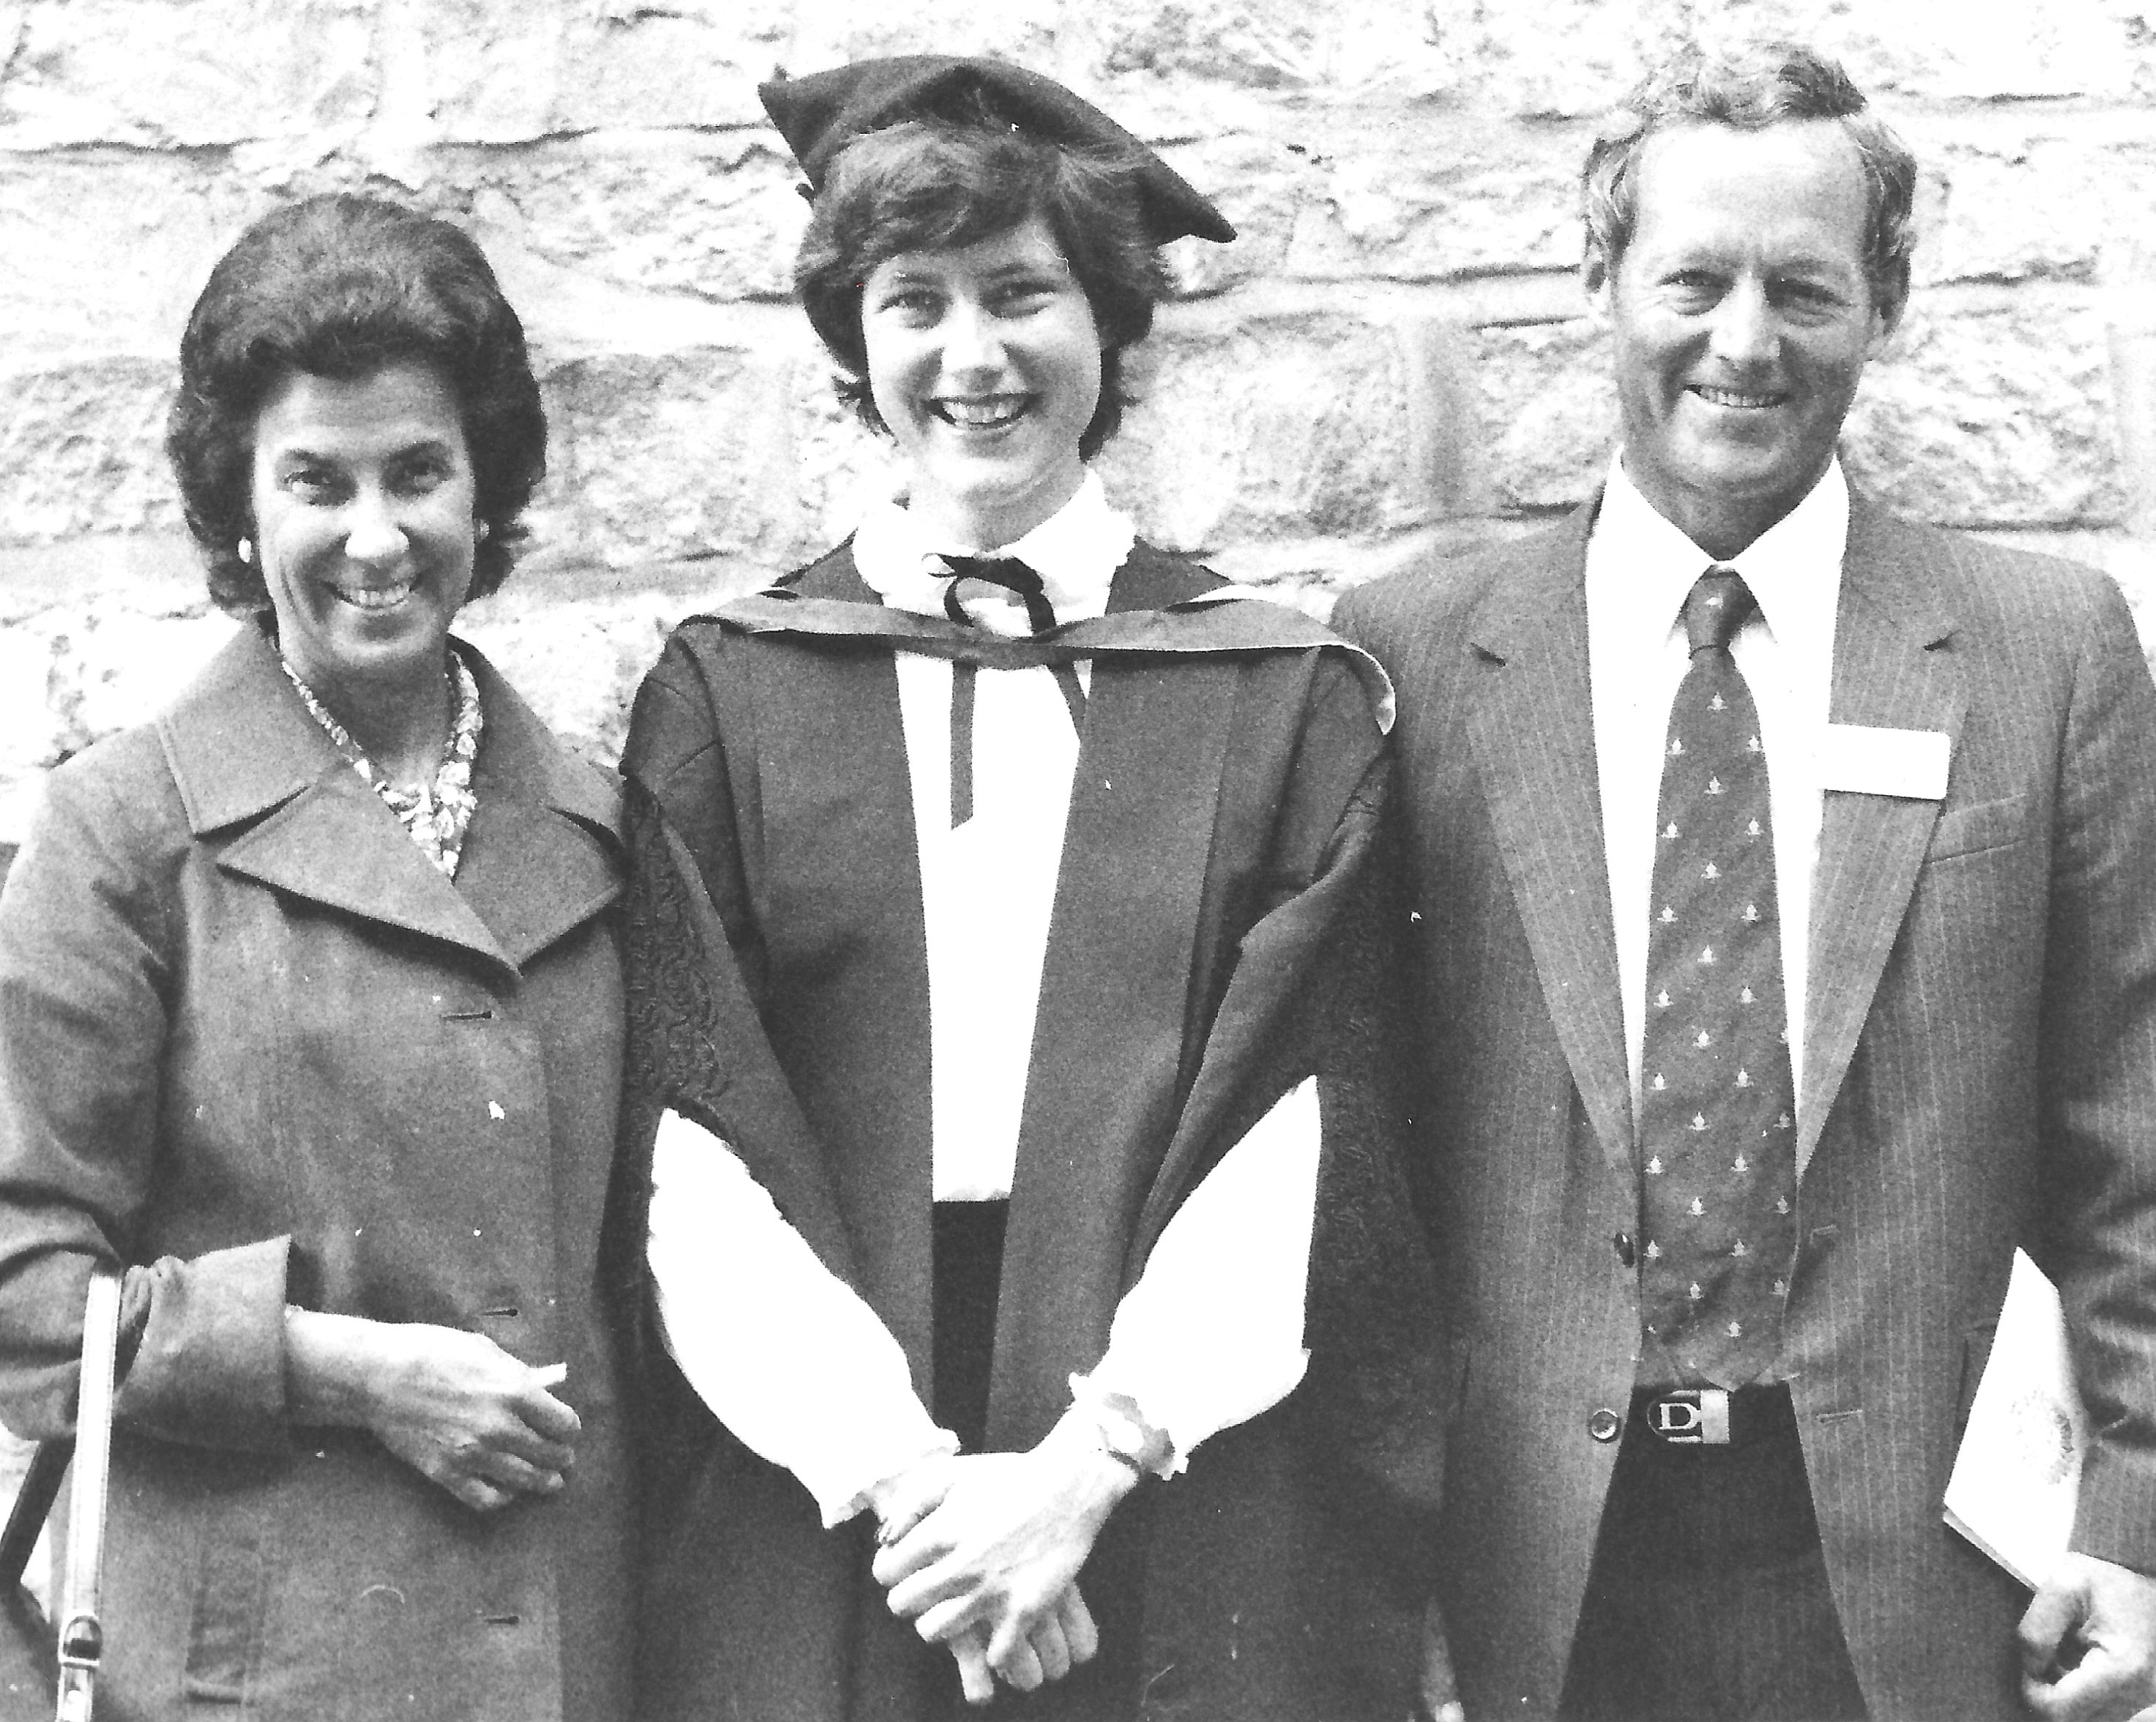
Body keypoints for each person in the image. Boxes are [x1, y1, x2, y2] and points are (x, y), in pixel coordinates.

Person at [615, 54, 1447, 1722]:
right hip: (834, 1482)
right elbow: (687, 1138)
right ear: (854, 342)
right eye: (914, 302)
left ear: (1108, 327)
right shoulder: (731, 688)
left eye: (1023, 295)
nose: (972, 356)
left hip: (1176, 1461)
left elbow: (1309, 1123)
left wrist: (1077, 1476)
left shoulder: (1276, 692)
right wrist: (919, 1496)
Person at [1335, 39, 2156, 1722]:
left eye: (1801, 287)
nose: (1741, 341)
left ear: (1889, 301)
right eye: (1690, 280)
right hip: (1527, 1576)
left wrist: (2135, 1526)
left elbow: (2129, 1136)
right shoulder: (1413, 653)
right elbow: (1357, 1174)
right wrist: (1362, 1573)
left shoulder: (2039, 652)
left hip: (1923, 1574)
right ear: (1596, 281)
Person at [0, 194, 639, 1721]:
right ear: (240, 507)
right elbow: (19, 1290)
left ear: (488, 493)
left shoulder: (604, 830)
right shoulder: (124, 831)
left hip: (562, 1650)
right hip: (246, 1666)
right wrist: (351, 1371)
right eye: (317, 482)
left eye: (419, 472)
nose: (376, 535)